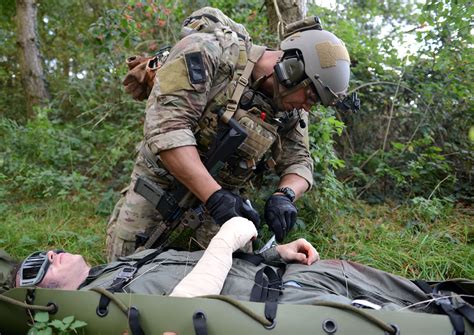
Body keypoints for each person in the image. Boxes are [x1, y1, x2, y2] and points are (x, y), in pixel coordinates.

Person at [106, 7, 353, 261]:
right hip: (162, 187)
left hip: (223, 204)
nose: (308, 107)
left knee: (229, 280)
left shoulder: (290, 108)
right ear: (292, 69)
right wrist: (214, 196)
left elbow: (299, 161)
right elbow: (169, 132)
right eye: (311, 96)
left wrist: (285, 195)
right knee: (124, 271)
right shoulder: (208, 52)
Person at [3, 218, 445, 315]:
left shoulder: (121, 263)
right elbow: (183, 307)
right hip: (286, 306)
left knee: (431, 288)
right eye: (37, 267)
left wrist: (274, 254)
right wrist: (227, 236)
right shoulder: (94, 305)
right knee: (436, 318)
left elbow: (199, 265)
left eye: (45, 251)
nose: (51, 253)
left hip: (284, 275)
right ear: (44, 295)